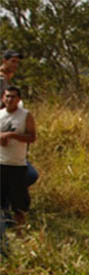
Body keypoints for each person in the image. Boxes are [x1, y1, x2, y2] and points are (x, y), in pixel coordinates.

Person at [0, 50, 38, 188]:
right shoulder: (1, 81)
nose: (16, 65)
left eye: (17, 62)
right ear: (4, 61)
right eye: (13, 61)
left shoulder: (7, 80)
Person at [0, 86, 37, 228]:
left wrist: (12, 135)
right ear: (3, 98)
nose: (10, 99)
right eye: (7, 96)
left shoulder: (25, 115)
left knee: (19, 204)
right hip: (1, 163)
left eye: (13, 97)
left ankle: (20, 231)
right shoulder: (0, 114)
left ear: (19, 99)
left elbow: (32, 137)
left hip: (17, 165)